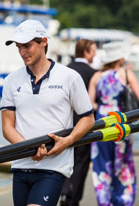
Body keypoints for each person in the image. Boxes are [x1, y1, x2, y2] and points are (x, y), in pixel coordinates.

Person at [0, 19, 95, 206]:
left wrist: (67, 141)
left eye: (27, 46)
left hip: (54, 167)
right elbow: (7, 127)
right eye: (19, 47)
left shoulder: (69, 77)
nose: (22, 52)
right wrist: (30, 150)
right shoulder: (11, 81)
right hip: (21, 165)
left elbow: (88, 118)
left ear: (44, 42)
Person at [88, 41, 139, 206]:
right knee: (123, 164)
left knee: (101, 164)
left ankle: (104, 201)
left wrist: (103, 106)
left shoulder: (97, 76)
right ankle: (123, 200)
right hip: (120, 122)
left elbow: (89, 104)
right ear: (120, 57)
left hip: (101, 122)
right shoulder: (126, 73)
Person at [60, 39, 97, 206]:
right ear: (86, 52)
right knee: (81, 164)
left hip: (63, 125)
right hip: (83, 125)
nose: (95, 54)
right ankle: (72, 199)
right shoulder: (93, 73)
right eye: (93, 51)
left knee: (63, 160)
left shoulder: (63, 70)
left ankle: (62, 191)